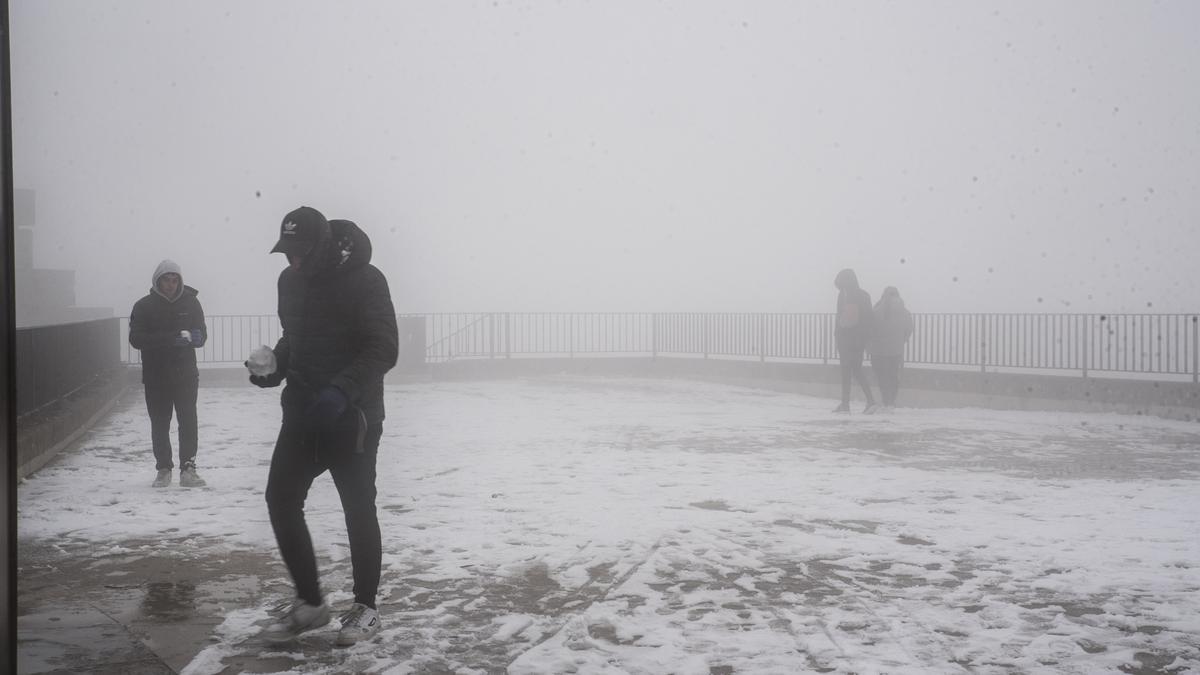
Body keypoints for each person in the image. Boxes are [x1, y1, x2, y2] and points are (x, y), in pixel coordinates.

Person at [249, 206, 399, 646]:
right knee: (281, 498)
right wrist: (273, 367)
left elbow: (383, 348)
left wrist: (341, 391)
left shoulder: (366, 280)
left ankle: (366, 608)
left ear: (323, 245)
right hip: (303, 412)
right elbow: (294, 339)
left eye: (300, 251)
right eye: (286, 251)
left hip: (354, 417)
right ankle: (311, 604)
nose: (292, 260)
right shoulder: (289, 281)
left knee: (357, 506)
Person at [128, 260, 208, 487]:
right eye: (166, 280)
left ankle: (188, 468)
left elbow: (202, 333)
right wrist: (169, 339)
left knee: (188, 421)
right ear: (158, 281)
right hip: (156, 376)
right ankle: (163, 468)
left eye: (174, 280)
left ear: (179, 281)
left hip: (186, 374)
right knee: (160, 423)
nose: (171, 285)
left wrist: (198, 337)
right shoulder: (143, 306)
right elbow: (136, 339)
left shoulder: (191, 303)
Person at [832, 268, 878, 413]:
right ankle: (870, 401)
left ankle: (845, 404)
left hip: (846, 339)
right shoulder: (864, 295)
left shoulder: (845, 295)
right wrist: (866, 337)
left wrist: (838, 333)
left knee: (846, 371)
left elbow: (843, 319)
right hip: (859, 340)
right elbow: (870, 318)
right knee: (857, 370)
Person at [869, 286, 914, 413]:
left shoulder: (876, 310)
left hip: (878, 349)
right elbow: (909, 329)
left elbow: (870, 328)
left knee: (881, 375)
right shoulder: (905, 312)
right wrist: (901, 340)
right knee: (893, 375)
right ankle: (891, 401)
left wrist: (871, 343)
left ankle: (885, 400)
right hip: (896, 350)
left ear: (883, 295)